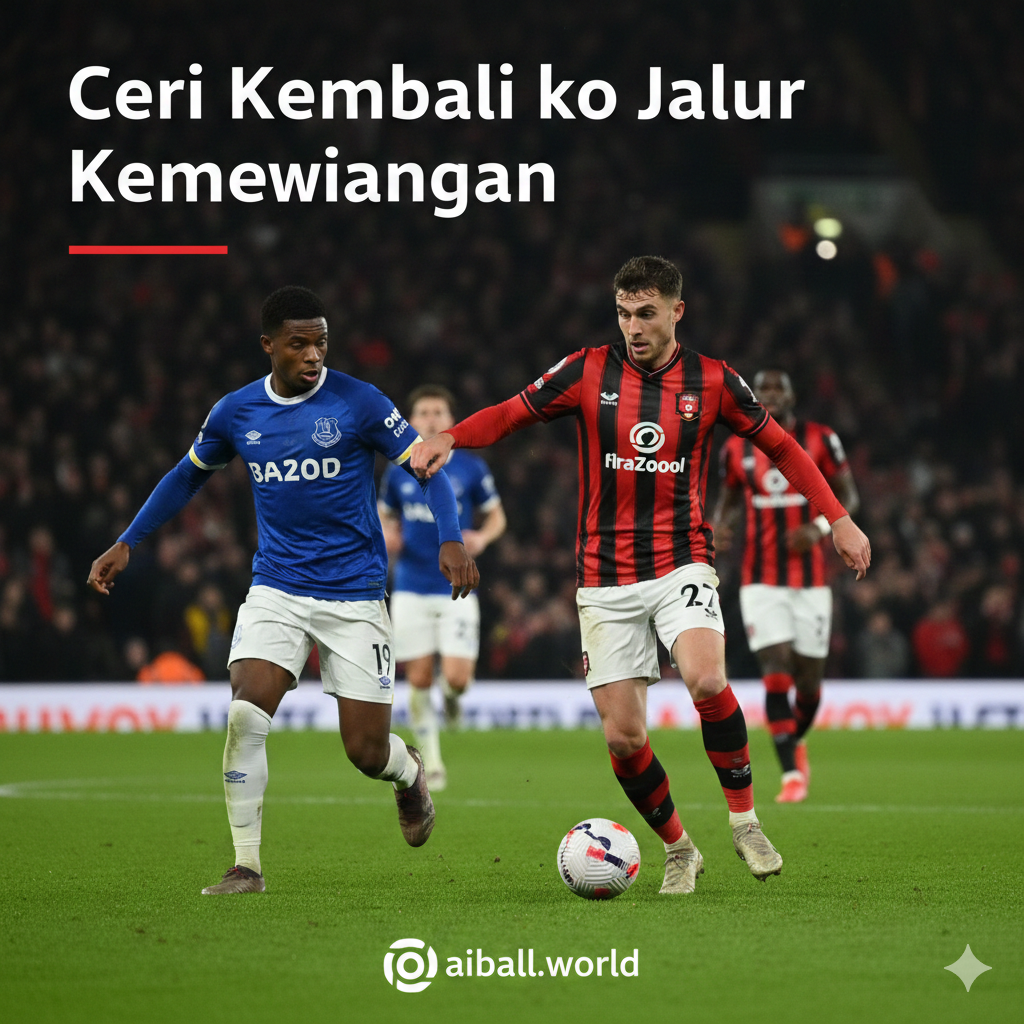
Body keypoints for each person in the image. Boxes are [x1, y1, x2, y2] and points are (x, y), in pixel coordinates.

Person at [411, 256, 870, 895]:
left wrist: (837, 519)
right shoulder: (586, 370)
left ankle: (745, 822)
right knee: (625, 738)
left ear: (677, 312)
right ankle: (679, 848)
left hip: (682, 558)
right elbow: (513, 412)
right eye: (624, 313)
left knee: (707, 678)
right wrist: (452, 437)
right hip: (604, 576)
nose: (633, 327)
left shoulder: (714, 380)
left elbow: (782, 447)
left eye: (646, 313)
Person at [87, 286, 479, 895]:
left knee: (366, 752)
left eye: (321, 342)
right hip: (278, 586)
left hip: (354, 594)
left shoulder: (360, 402)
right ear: (268, 345)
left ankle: (408, 773)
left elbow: (429, 469)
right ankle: (246, 865)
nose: (314, 354)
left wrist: (450, 538)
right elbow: (186, 476)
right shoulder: (235, 412)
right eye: (299, 344)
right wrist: (128, 540)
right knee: (245, 713)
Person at [713, 369, 861, 803]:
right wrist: (720, 527)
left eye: (779, 388)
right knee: (776, 670)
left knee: (809, 684)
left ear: (793, 395)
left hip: (811, 581)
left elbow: (849, 496)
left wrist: (819, 529)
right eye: (764, 389)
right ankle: (792, 775)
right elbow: (729, 500)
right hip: (759, 580)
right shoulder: (735, 448)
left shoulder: (821, 439)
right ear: (754, 396)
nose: (771, 395)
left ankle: (794, 740)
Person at [379, 385, 506, 790]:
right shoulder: (397, 469)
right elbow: (384, 513)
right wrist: (388, 533)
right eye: (423, 412)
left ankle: (451, 699)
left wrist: (482, 537)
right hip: (410, 587)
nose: (431, 419)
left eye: (438, 412)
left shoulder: (470, 467)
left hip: (457, 587)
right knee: (418, 678)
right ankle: (432, 764)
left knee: (456, 679)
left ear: (451, 420)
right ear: (410, 420)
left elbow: (496, 516)